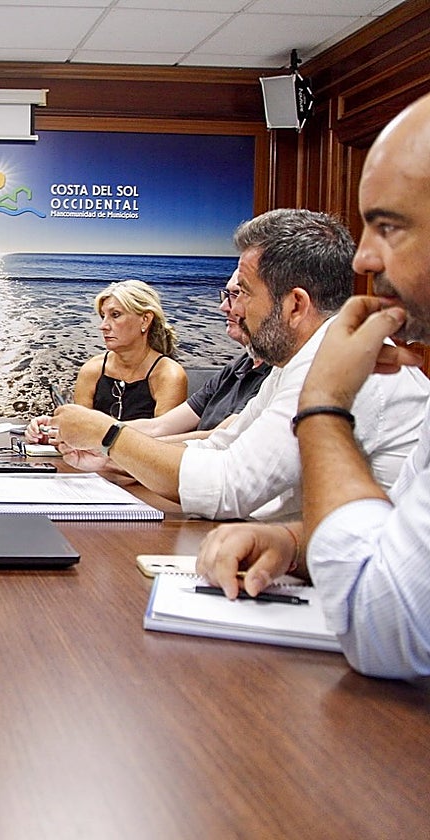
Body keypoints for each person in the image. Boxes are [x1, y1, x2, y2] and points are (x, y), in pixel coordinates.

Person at [196, 94, 430, 678]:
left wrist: (324, 407)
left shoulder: (339, 366)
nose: (366, 258)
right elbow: (402, 539)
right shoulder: (285, 364)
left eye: (389, 226)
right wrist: (294, 545)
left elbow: (386, 628)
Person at [51, 208, 430, 521]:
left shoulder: (340, 364)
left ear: (295, 305)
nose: (232, 307)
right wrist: (116, 459)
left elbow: (227, 488)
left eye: (243, 292)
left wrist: (110, 437)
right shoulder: (297, 362)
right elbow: (221, 445)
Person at [29, 271, 270, 446]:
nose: (224, 307)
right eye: (227, 296)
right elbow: (160, 427)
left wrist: (103, 443)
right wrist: (65, 428)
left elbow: (216, 438)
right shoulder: (235, 369)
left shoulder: (277, 375)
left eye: (238, 295)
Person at [76, 280, 187, 421]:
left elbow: (163, 439)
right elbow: (77, 431)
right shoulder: (92, 370)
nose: (103, 326)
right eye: (103, 316)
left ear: (145, 320)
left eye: (115, 315)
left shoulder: (168, 376)